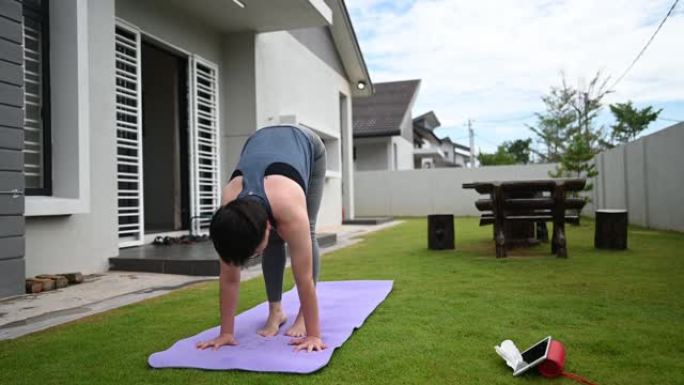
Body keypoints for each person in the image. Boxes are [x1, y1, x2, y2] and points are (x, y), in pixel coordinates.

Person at [196, 124, 327, 353]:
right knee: (274, 241)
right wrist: (226, 332)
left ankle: (303, 317)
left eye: (255, 253)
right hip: (258, 141)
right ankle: (275, 311)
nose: (253, 257)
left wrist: (314, 336)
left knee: (307, 231)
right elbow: (228, 278)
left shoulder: (289, 208)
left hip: (306, 144)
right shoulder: (229, 211)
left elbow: (303, 278)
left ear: (267, 225)